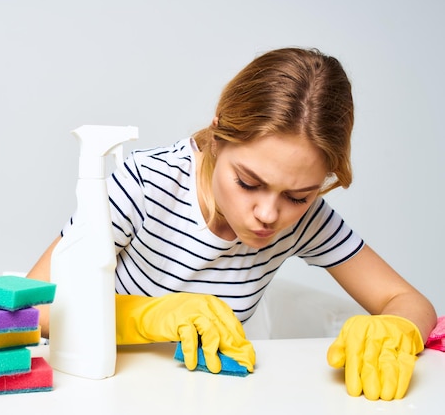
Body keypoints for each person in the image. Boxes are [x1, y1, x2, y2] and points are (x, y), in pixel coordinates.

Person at [27, 47, 437, 401]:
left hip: (207, 395)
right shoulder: (145, 184)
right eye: (248, 182)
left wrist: (397, 327)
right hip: (106, 390)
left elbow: (408, 301)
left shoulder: (304, 220)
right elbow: (33, 304)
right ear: (218, 133)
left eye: (298, 196)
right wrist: (148, 315)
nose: (268, 214)